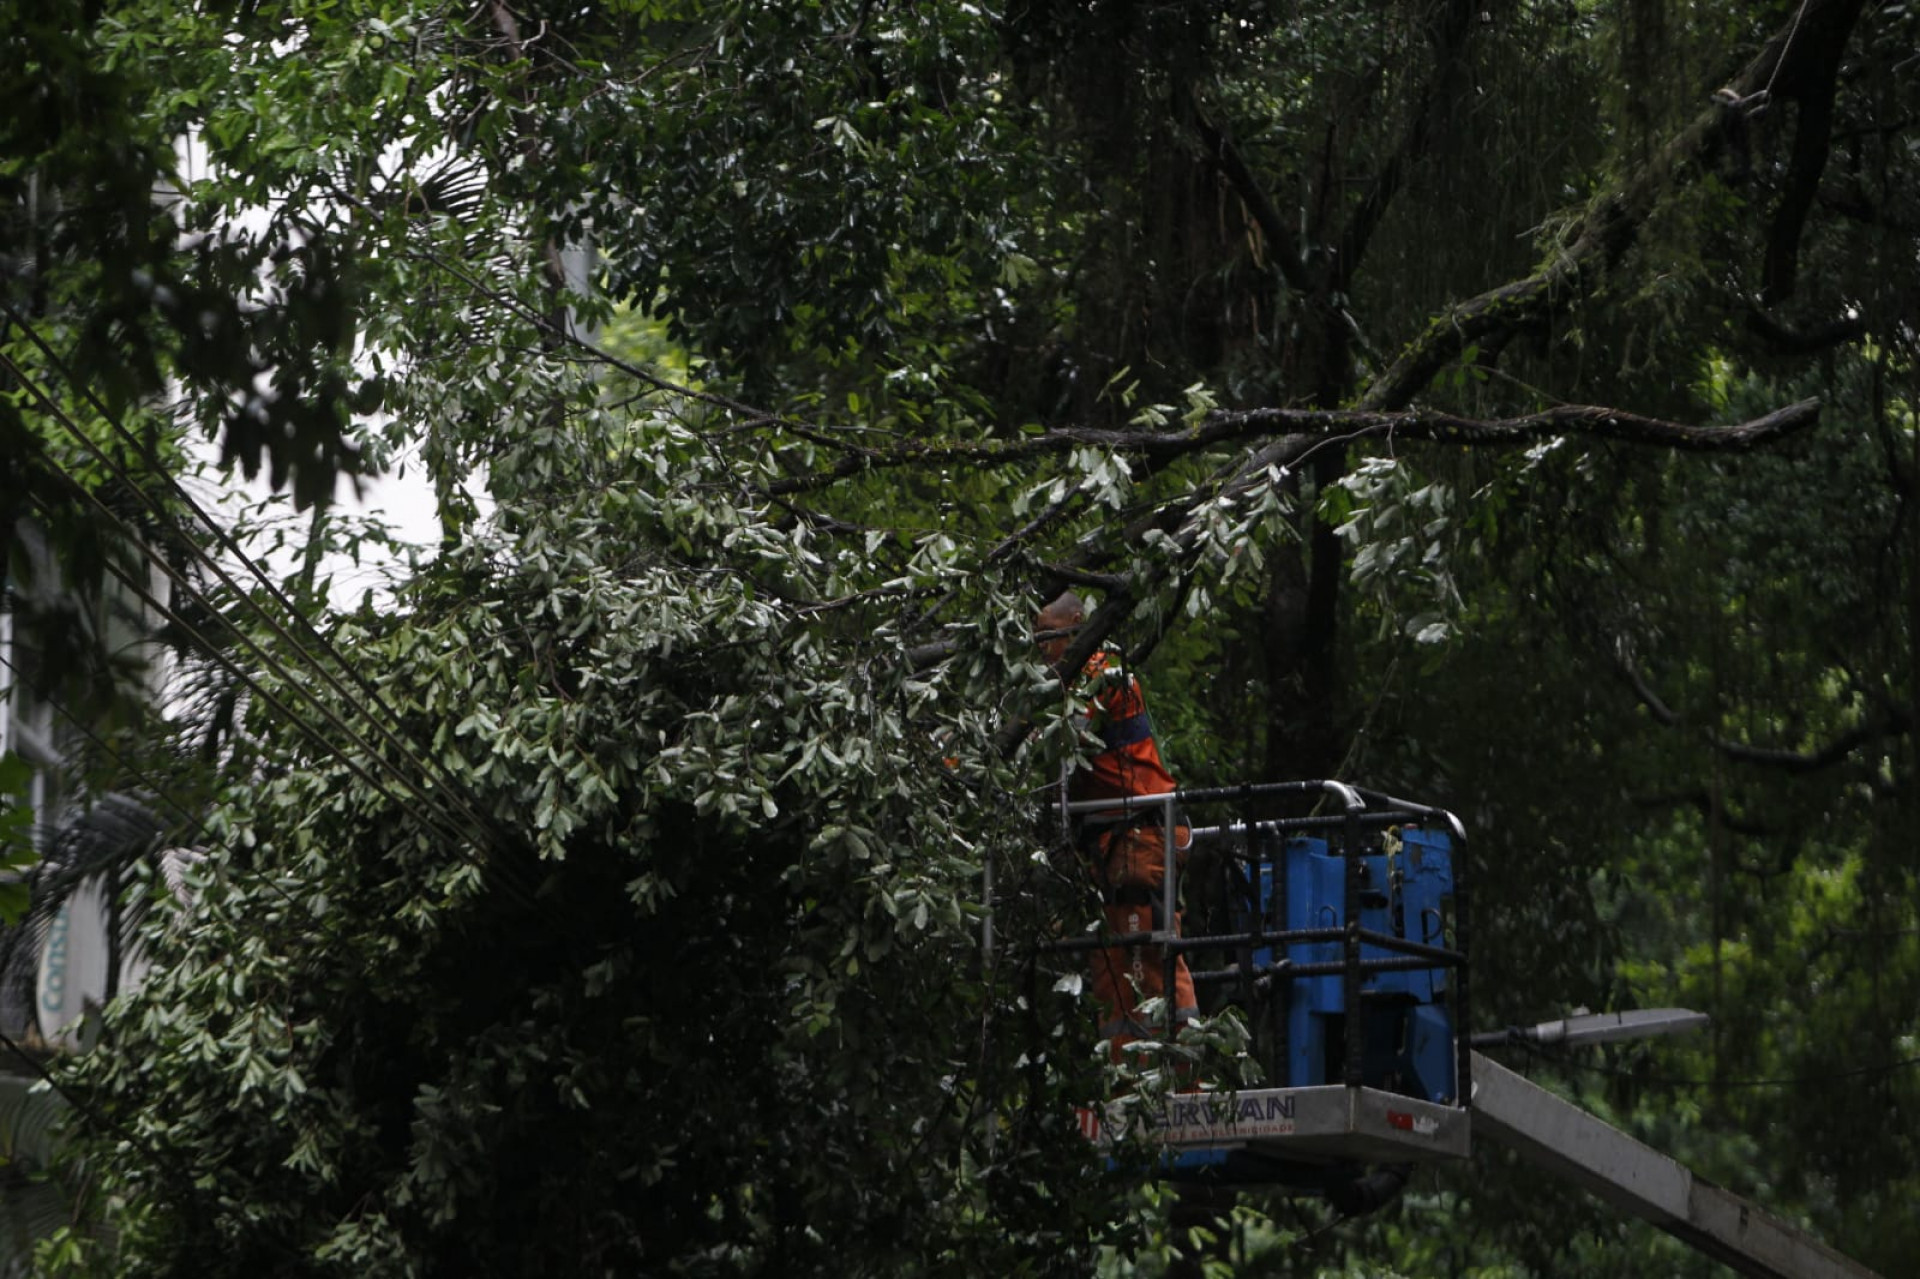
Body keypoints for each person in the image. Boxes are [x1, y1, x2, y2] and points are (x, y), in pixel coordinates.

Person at [1036, 590, 1198, 1061]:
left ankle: (1173, 1076)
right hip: (1114, 841)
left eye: (1048, 636)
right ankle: (1123, 1078)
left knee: (1144, 960)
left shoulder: (1102, 671)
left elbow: (1064, 733)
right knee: (1113, 965)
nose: (1042, 649)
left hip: (1139, 835)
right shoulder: (1072, 681)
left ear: (1079, 623)